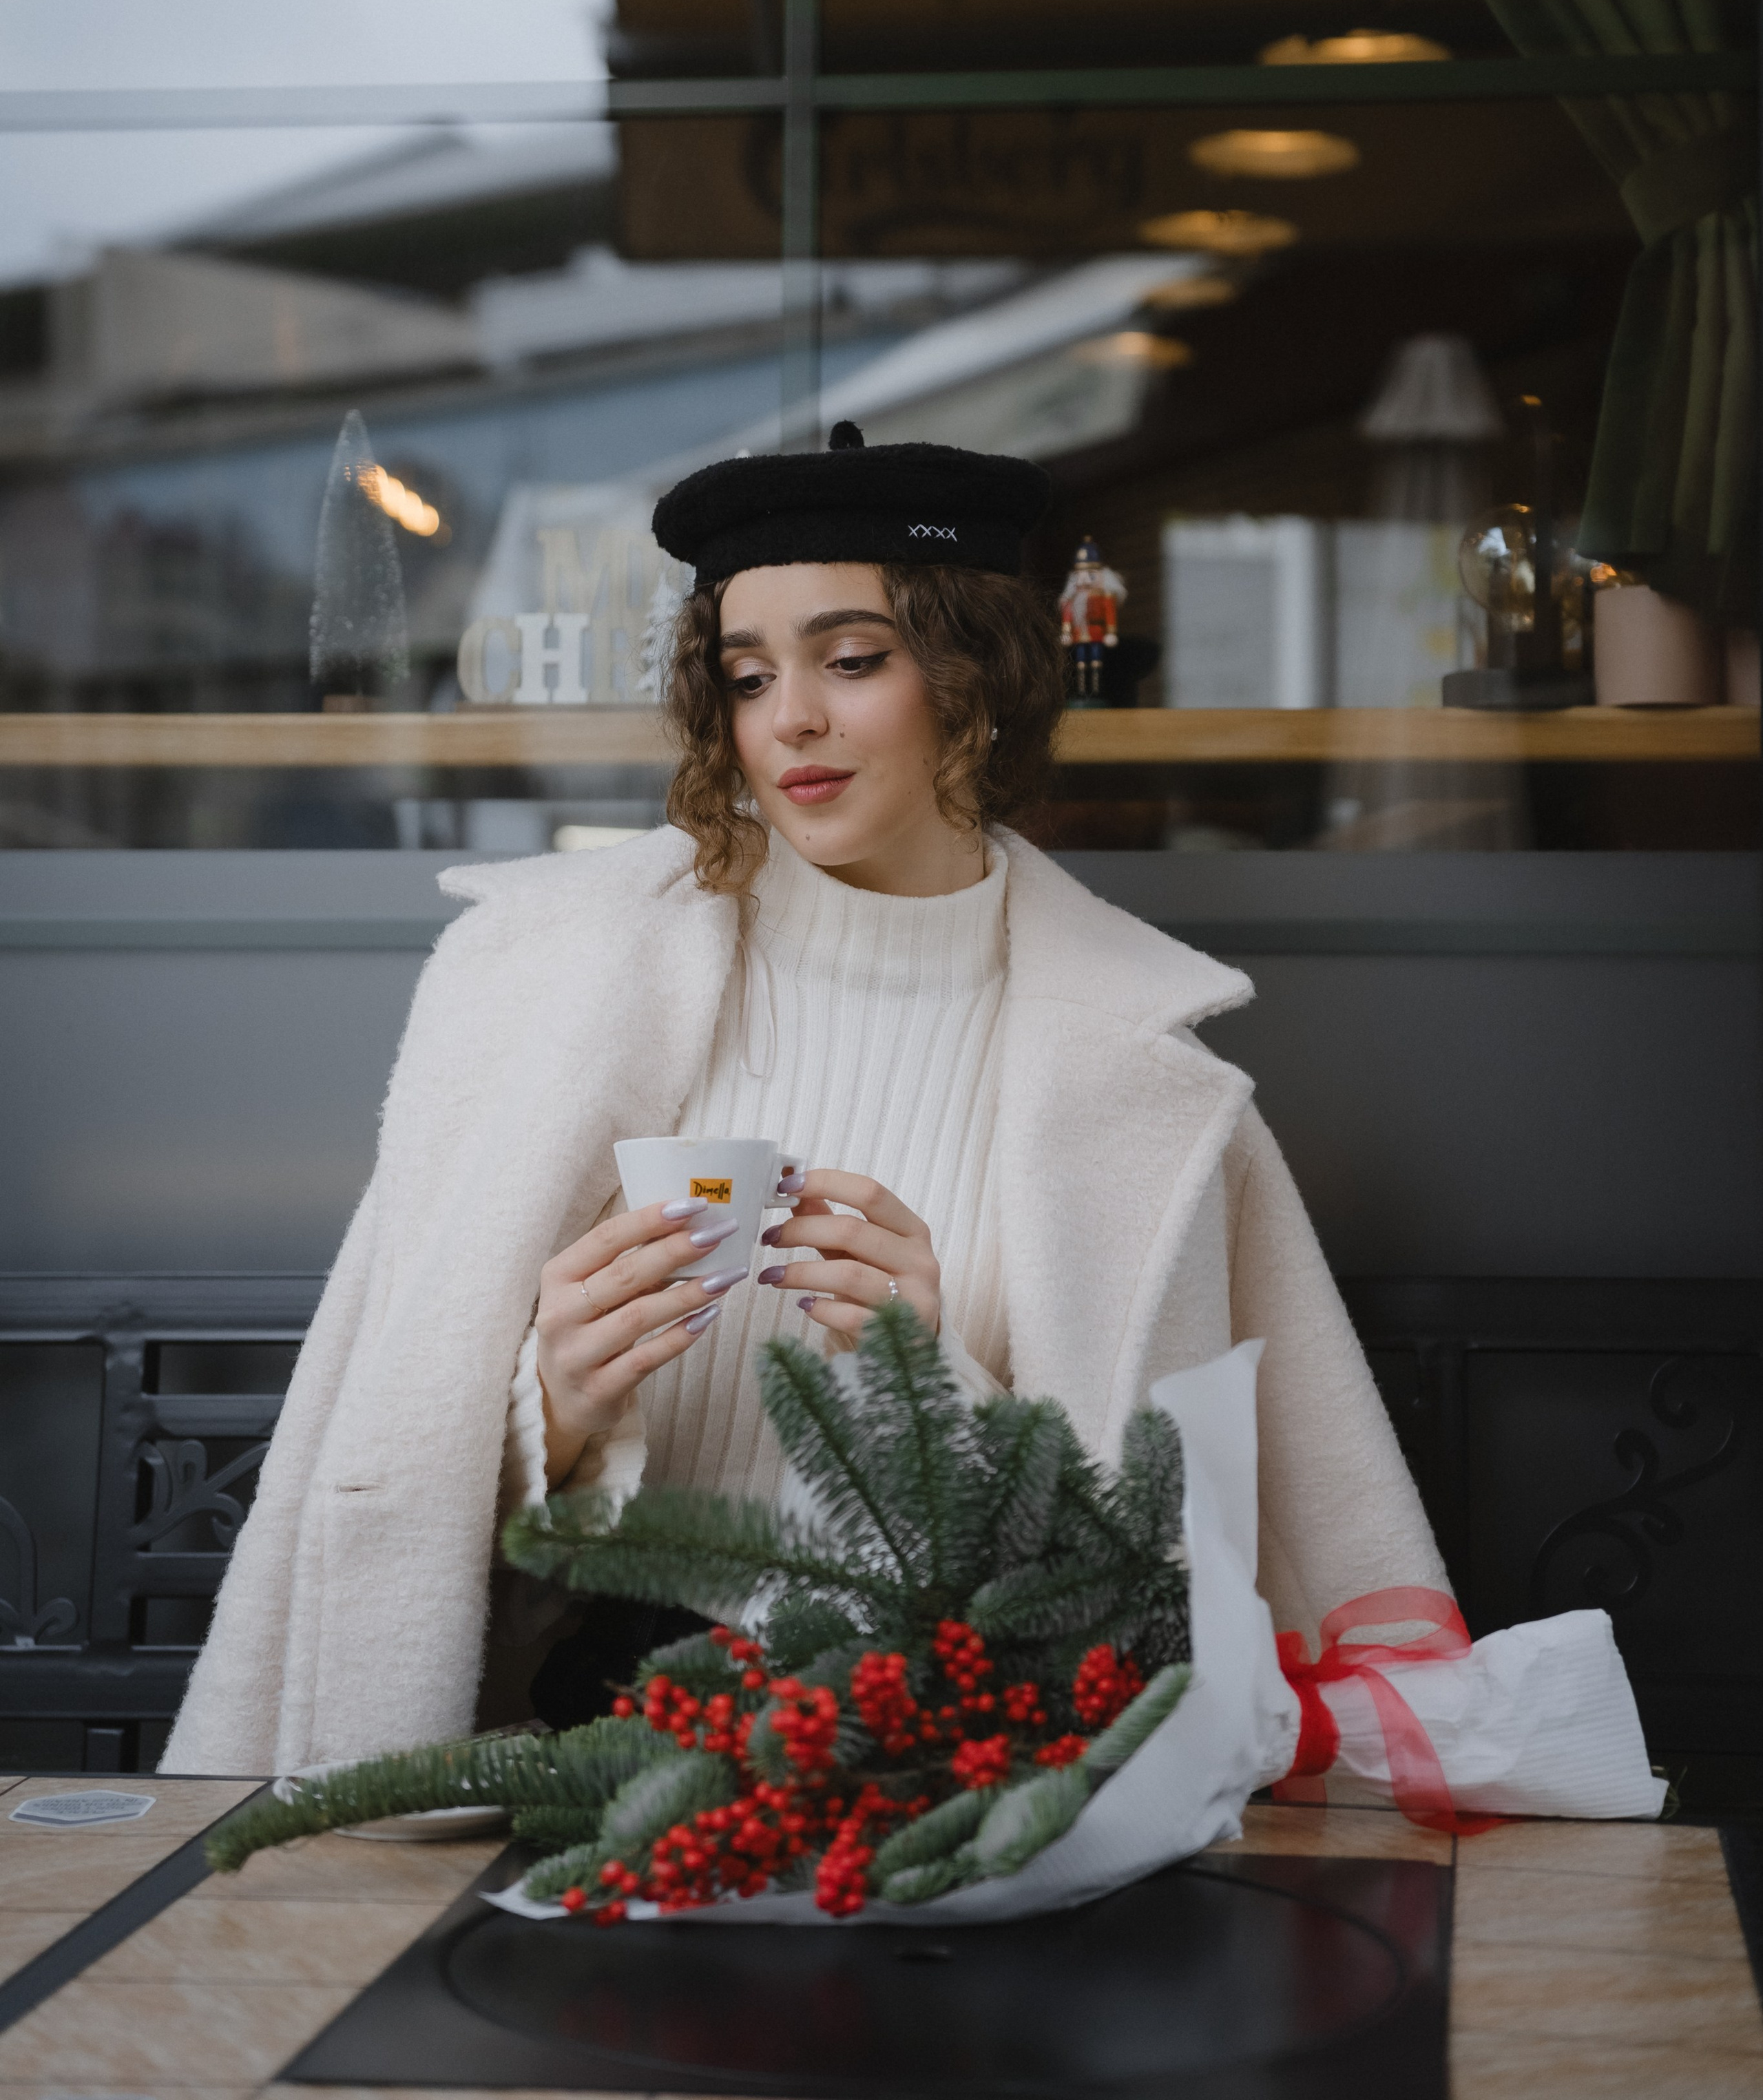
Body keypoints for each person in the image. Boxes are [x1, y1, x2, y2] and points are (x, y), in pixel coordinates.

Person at [163, 425, 1446, 1776]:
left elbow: (1143, 1594)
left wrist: (925, 1383)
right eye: (746, 673)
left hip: (961, 1777)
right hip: (596, 1753)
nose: (790, 721)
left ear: (978, 677)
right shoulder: (540, 997)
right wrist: (558, 1404)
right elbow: (392, 1480)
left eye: (851, 660)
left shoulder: (1145, 1072)